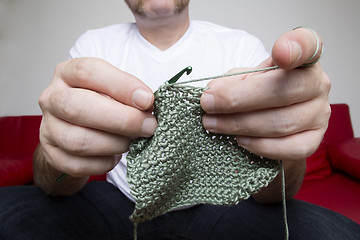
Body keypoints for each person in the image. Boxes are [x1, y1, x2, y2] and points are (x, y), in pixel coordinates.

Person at [0, 0, 359, 239]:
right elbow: (54, 181)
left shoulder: (241, 47)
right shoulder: (93, 46)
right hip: (119, 201)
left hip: (220, 206)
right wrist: (61, 151)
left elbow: (271, 195)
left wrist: (282, 144)